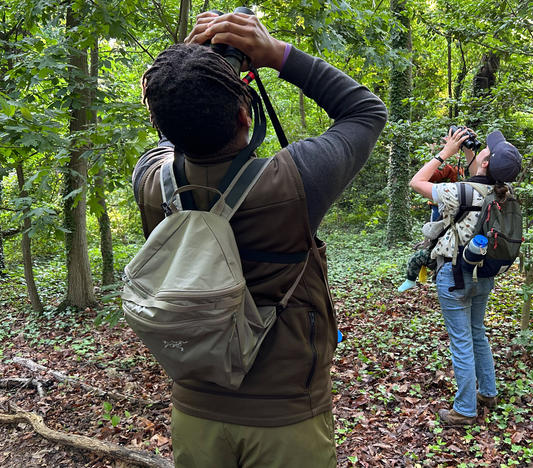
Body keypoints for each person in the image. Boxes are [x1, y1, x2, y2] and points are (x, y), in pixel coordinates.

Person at [132, 11, 387, 467]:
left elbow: (168, 123)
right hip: (286, 417)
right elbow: (366, 110)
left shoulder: (152, 183)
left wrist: (184, 69)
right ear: (246, 114)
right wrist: (277, 55)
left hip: (194, 414)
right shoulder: (295, 181)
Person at [408, 127, 522, 425]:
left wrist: (445, 153)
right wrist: (470, 152)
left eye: (486, 150)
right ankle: (488, 392)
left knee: (461, 341)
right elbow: (479, 178)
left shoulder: (458, 192)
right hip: (484, 274)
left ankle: (465, 410)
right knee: (477, 334)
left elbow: (416, 182)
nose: (483, 148)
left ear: (487, 163)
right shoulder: (504, 193)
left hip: (455, 275)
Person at [398, 164, 462, 292]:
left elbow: (421, 180)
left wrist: (438, 158)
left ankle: (411, 280)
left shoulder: (449, 167)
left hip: (446, 249)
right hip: (452, 244)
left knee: (419, 257)